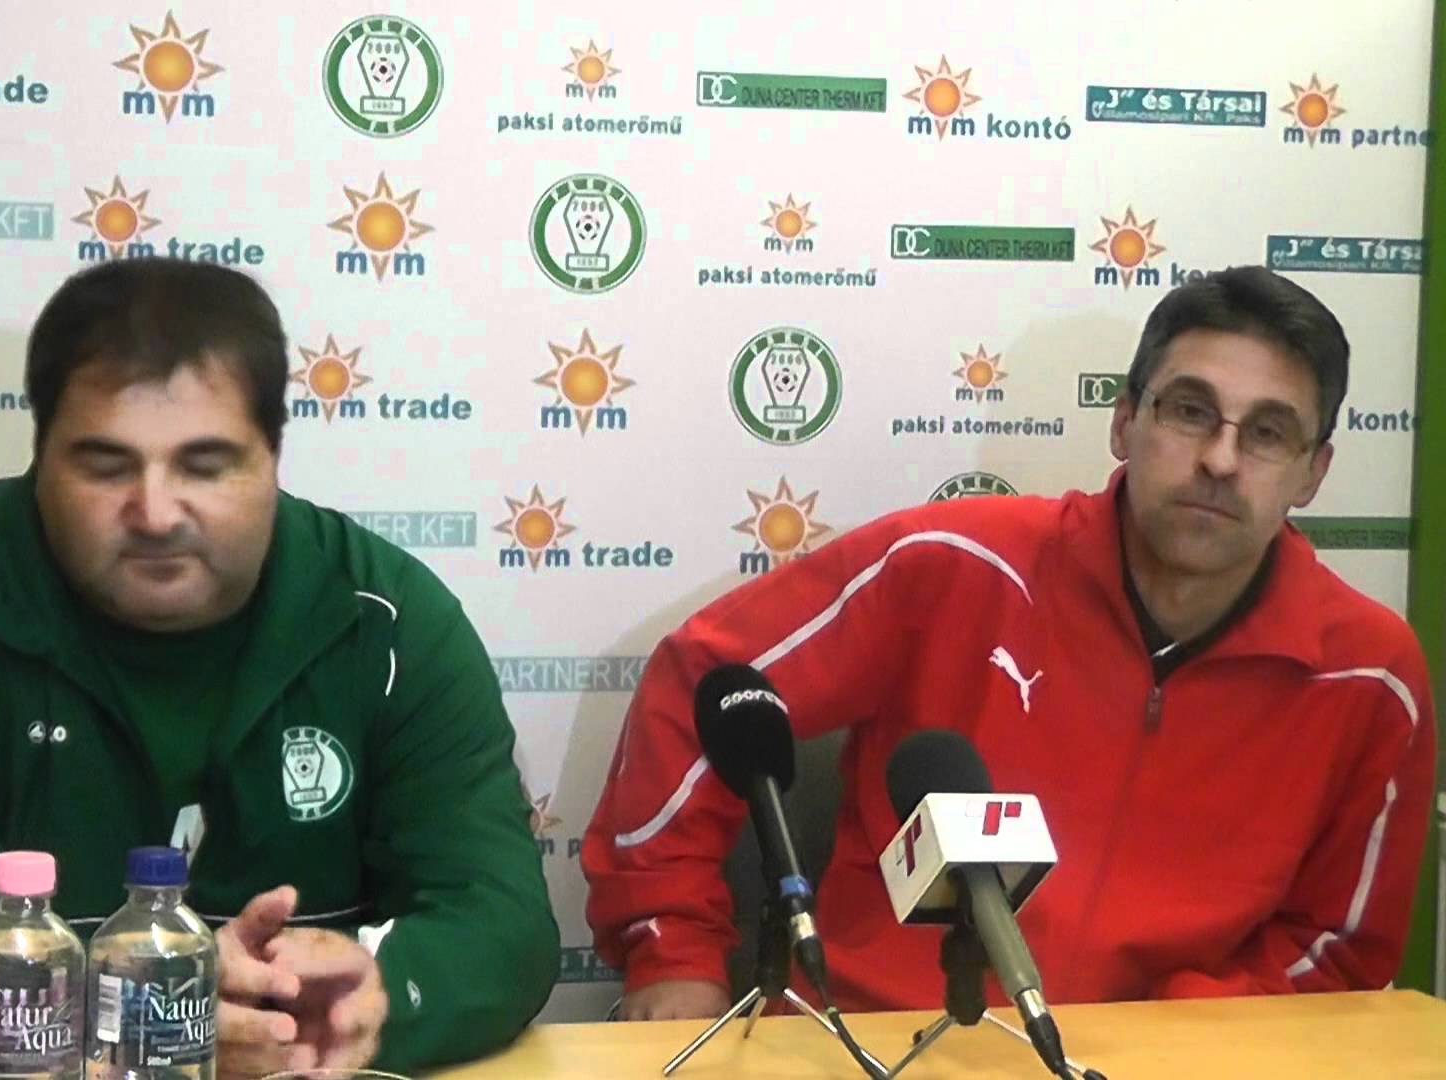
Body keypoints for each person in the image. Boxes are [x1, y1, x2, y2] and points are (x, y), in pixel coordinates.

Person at [582, 265, 1437, 1020]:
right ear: (1124, 422)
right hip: (870, 1044)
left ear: (1314, 471)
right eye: (1190, 411)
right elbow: (708, 679)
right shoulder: (949, 566)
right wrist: (673, 949)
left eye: (1268, 432)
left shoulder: (1370, 676)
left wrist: (1176, 1034)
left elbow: (1338, 948)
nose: (1220, 458)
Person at [0, 259, 558, 1075]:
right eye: (105, 465)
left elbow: (499, 921)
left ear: (273, 456)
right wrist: (136, 1008)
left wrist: (378, 996)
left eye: (204, 463)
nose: (155, 514)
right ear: (40, 456)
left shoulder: (390, 620)